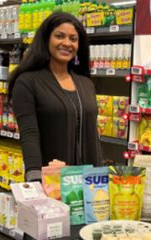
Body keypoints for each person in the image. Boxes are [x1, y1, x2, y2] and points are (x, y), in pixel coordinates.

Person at [9, 12, 102, 182]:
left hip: (89, 183)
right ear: (46, 39)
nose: (67, 43)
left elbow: (92, 134)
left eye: (73, 39)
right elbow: (29, 134)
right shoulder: (27, 82)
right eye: (60, 36)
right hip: (53, 183)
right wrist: (35, 178)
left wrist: (99, 176)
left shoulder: (85, 83)